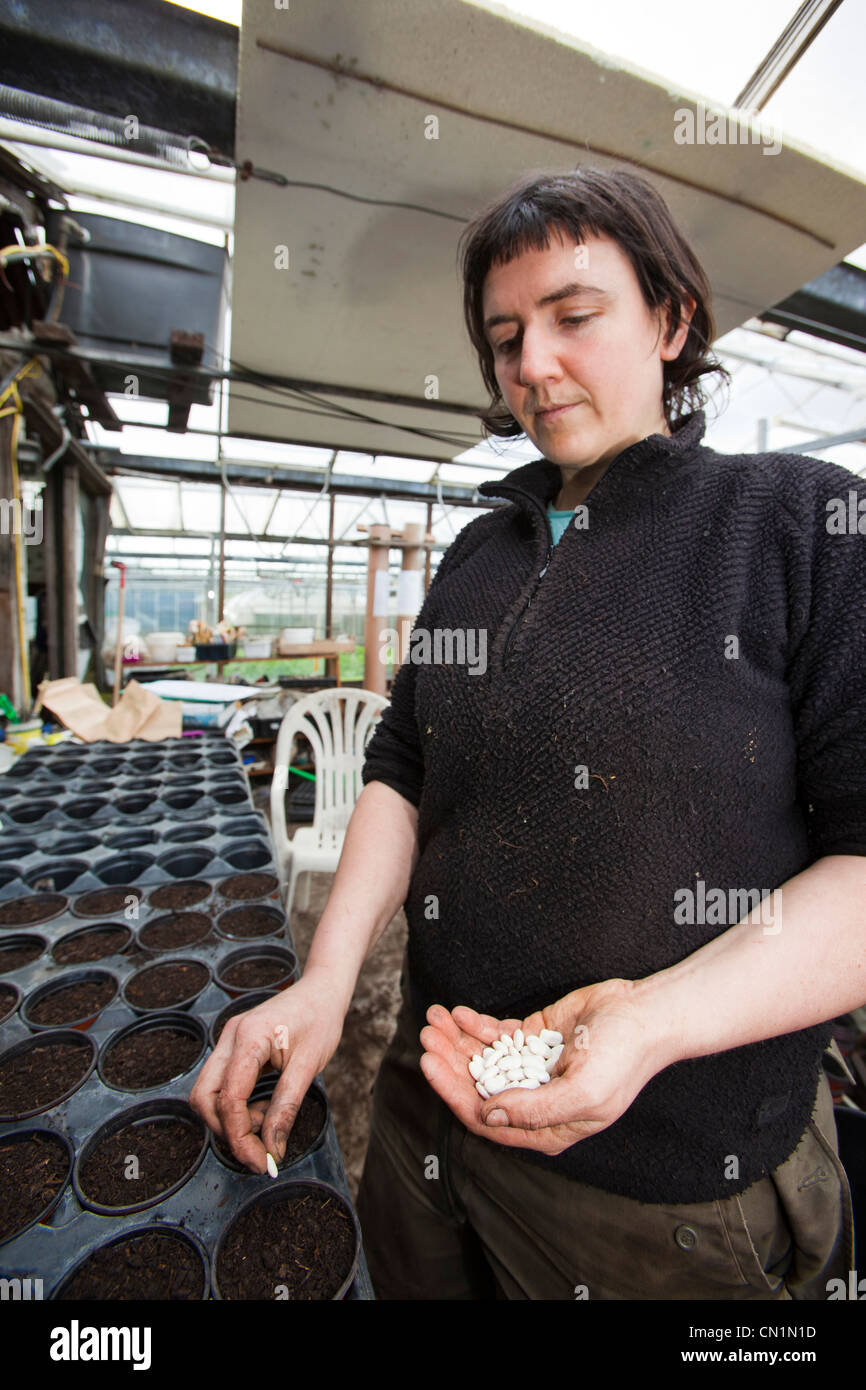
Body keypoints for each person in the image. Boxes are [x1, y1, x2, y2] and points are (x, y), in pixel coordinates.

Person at [190, 167, 865, 1300]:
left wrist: (652, 1022)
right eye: (504, 336)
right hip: (427, 1110)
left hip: (660, 1188)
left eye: (573, 315)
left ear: (670, 317)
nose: (530, 364)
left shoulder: (790, 524)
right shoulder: (480, 554)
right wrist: (324, 979)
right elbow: (400, 769)